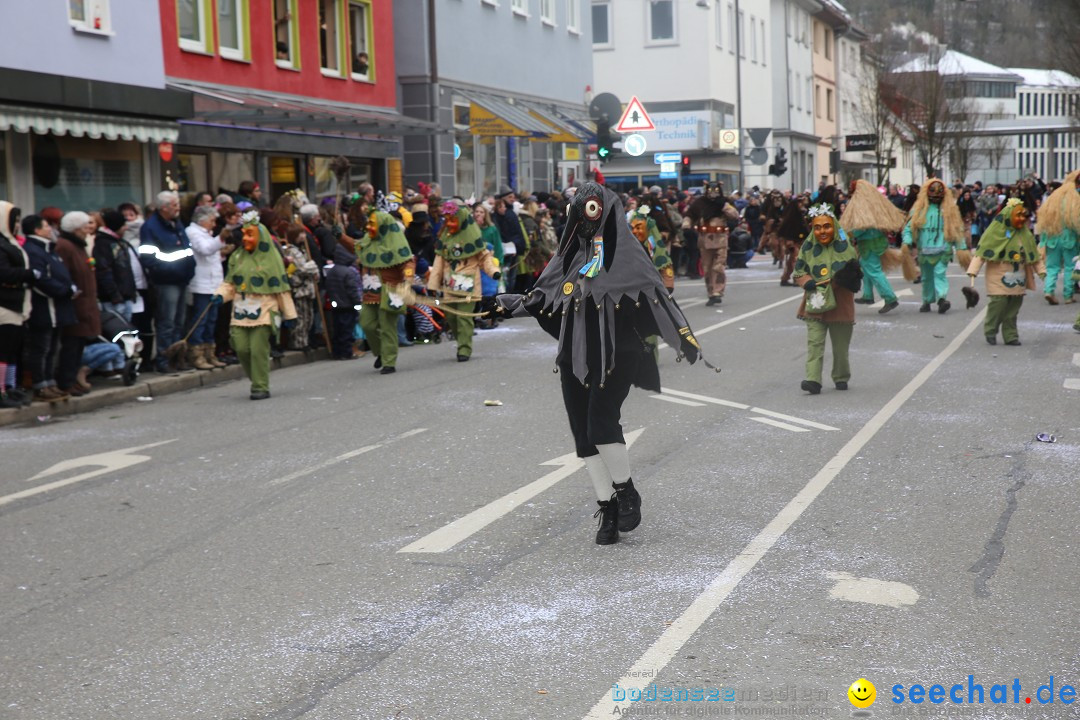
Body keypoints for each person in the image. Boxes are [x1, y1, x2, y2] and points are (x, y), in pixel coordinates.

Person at [493, 183, 714, 545]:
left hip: (617, 354)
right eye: (579, 214)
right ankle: (606, 505)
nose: (584, 222)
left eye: (592, 212)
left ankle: (626, 491)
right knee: (582, 432)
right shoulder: (567, 257)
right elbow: (547, 300)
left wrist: (673, 334)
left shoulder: (630, 255)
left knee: (600, 420)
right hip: (574, 356)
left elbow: (652, 298)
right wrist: (512, 303)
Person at [212, 212, 297, 399]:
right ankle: (257, 378)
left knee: (258, 349)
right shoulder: (237, 257)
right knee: (241, 347)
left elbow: (281, 289)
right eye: (243, 234)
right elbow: (230, 283)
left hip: (265, 309)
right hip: (241, 310)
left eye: (249, 234)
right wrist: (219, 296)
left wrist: (290, 315)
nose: (245, 238)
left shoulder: (272, 258)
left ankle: (260, 386)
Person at [793, 204, 861, 395]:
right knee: (814, 343)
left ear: (834, 226)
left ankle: (841, 376)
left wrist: (840, 280)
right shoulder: (808, 248)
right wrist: (806, 281)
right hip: (815, 304)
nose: (822, 231)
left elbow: (855, 274)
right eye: (817, 227)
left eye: (826, 226)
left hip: (840, 305)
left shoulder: (846, 248)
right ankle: (813, 380)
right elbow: (799, 271)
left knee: (840, 347)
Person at [967, 199, 1046, 346]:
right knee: (998, 303)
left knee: (1013, 309)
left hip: (1018, 277)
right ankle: (990, 329)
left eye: (1024, 215)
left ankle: (1011, 336)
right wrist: (973, 270)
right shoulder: (994, 233)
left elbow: (1034, 255)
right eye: (1018, 215)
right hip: (998, 275)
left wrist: (1041, 271)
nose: (1022, 218)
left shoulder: (1026, 235)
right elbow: (981, 253)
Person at [428, 201, 499, 362]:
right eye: (447, 220)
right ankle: (461, 340)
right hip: (449, 286)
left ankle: (464, 349)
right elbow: (438, 264)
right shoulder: (445, 239)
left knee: (464, 317)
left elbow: (485, 258)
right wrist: (433, 285)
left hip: (469, 286)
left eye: (453, 220)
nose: (450, 224)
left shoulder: (473, 238)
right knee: (451, 317)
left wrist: (493, 272)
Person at [139, 191, 196, 372]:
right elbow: (148, 258)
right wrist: (170, 270)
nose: (178, 208)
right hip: (166, 281)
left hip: (182, 278)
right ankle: (164, 361)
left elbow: (186, 249)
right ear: (163, 208)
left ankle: (177, 358)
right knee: (167, 322)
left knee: (179, 322)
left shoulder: (176, 223)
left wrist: (188, 269)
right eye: (174, 205)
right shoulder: (151, 227)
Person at [21, 214, 76, 401]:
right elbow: (40, 279)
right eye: (46, 226)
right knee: (41, 348)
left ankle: (50, 382)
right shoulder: (33, 250)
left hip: (57, 307)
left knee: (52, 348)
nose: (50, 229)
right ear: (37, 230)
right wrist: (63, 291)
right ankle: (40, 385)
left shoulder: (47, 249)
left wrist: (70, 287)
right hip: (44, 307)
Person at [356, 209, 416, 374]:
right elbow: (356, 247)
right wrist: (339, 237)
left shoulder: (395, 243)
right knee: (367, 324)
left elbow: (407, 262)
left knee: (387, 326)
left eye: (372, 223)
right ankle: (381, 353)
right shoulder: (367, 242)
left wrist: (407, 280)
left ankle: (389, 361)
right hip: (370, 293)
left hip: (390, 292)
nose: (368, 227)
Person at [841, 179, 907, 314]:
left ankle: (890, 298)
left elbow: (862, 227)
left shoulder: (862, 206)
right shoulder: (872, 204)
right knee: (866, 268)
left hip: (869, 244)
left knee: (874, 271)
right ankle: (867, 295)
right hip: (875, 242)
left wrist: (849, 234)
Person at [902, 180, 966, 313]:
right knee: (926, 278)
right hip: (924, 251)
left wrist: (961, 247)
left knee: (939, 274)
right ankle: (927, 300)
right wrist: (907, 241)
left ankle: (942, 298)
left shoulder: (949, 211)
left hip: (943, 250)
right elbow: (908, 227)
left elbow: (957, 229)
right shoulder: (918, 210)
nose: (936, 198)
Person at [55, 211, 101, 396]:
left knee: (78, 345)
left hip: (86, 304)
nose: (88, 230)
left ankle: (73, 379)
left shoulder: (79, 246)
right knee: (71, 346)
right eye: (84, 227)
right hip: (75, 305)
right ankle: (66, 381)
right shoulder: (65, 247)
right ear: (75, 229)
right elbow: (63, 274)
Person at [186, 204, 229, 369]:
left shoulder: (206, 233)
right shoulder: (193, 232)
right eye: (212, 220)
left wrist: (222, 251)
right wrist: (221, 239)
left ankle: (210, 353)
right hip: (201, 284)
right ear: (202, 220)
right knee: (200, 320)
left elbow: (212, 255)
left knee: (212, 320)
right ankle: (197, 355)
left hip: (213, 283)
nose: (214, 224)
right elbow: (205, 250)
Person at [0, 201, 34, 407]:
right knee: (2, 351)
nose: (18, 224)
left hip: (17, 304)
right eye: (15, 220)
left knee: (12, 350)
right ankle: (1, 391)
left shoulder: (9, 242)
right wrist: (29, 274)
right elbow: (3, 272)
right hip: (5, 305)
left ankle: (10, 387)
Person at [687, 182, 739, 304]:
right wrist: (686, 223)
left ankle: (718, 291)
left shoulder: (724, 202)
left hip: (720, 239)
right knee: (707, 268)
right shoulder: (699, 202)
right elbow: (689, 215)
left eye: (715, 190)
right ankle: (711, 292)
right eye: (710, 190)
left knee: (718, 266)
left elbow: (735, 215)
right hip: (704, 240)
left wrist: (724, 206)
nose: (712, 192)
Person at [1035, 170, 1079, 305]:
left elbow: (1043, 217)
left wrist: (1043, 240)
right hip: (1069, 238)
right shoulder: (1076, 198)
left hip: (1052, 237)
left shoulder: (1055, 196)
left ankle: (1049, 291)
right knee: (1070, 267)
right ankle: (1068, 295)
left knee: (1052, 267)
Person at [94, 210, 138, 323]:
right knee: (117, 330)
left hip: (125, 297)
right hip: (114, 300)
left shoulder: (118, 242)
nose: (126, 228)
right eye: (123, 225)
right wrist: (115, 296)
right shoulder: (103, 244)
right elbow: (104, 272)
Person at [281, 224, 319, 351]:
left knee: (309, 316)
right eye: (300, 234)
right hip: (300, 289)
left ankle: (305, 340)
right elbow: (301, 268)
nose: (303, 236)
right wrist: (312, 266)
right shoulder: (291, 251)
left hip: (308, 288)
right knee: (301, 318)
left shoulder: (303, 249)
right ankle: (298, 342)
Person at [323, 246, 362, 360]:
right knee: (347, 330)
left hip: (335, 305)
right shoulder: (348, 272)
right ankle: (347, 352)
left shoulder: (331, 272)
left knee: (338, 329)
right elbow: (352, 291)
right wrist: (357, 303)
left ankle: (337, 352)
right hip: (348, 305)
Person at [776, 195, 810, 286]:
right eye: (799, 203)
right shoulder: (791, 217)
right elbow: (785, 230)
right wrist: (788, 241)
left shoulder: (801, 215)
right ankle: (796, 279)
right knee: (796, 260)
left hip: (799, 241)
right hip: (792, 242)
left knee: (792, 261)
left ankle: (785, 278)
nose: (801, 205)